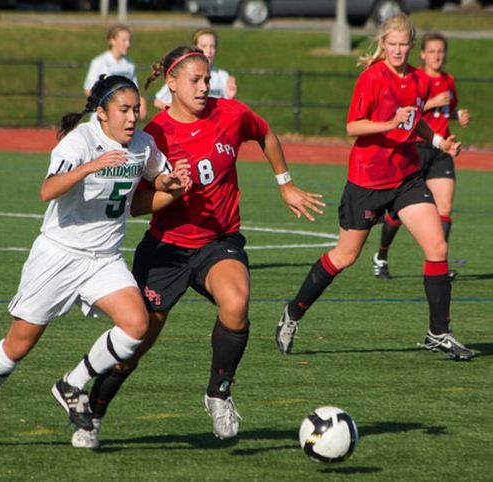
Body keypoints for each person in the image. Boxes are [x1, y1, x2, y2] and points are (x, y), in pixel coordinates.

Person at [71, 44, 325, 448]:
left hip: (217, 242)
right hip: (166, 249)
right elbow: (136, 206)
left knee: (237, 302)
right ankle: (93, 417)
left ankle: (218, 394)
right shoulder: (151, 137)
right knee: (133, 345)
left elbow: (265, 133)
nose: (206, 86)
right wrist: (169, 190)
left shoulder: (231, 114)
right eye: (196, 80)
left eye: (208, 78)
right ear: (172, 83)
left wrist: (286, 183)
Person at [0, 75, 191, 449]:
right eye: (124, 110)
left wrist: (171, 185)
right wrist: (88, 167)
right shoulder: (81, 141)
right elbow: (47, 190)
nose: (132, 118)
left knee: (136, 326)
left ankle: (71, 383)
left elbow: (151, 190)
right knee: (19, 345)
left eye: (136, 110)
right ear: (102, 112)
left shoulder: (143, 146)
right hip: (58, 256)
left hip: (103, 259)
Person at [275, 14, 474, 361]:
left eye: (403, 45)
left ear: (411, 46)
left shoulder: (417, 79)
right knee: (345, 256)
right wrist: (389, 123)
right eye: (391, 45)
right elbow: (353, 126)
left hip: (407, 177)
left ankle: (438, 332)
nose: (397, 51)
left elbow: (418, 121)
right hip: (367, 180)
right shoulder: (371, 78)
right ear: (383, 44)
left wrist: (440, 142)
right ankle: (293, 312)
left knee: (437, 245)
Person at [372, 32, 471, 280]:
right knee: (400, 213)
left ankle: (440, 264)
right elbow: (406, 112)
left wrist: (457, 115)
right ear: (423, 54)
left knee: (445, 208)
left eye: (441, 51)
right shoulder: (416, 78)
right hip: (416, 148)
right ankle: (381, 256)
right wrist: (433, 102)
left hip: (441, 149)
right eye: (432, 51)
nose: (437, 56)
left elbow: (446, 110)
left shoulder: (449, 80)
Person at [153, 28, 237, 110]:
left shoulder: (223, 75)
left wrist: (231, 97)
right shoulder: (185, 73)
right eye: (204, 46)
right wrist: (183, 112)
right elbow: (158, 102)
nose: (209, 50)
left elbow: (227, 107)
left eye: (212, 46)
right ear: (195, 48)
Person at [84, 25, 148, 120]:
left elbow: (134, 89)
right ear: (112, 41)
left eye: (129, 40)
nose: (128, 44)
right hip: (103, 118)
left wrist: (141, 101)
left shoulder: (129, 63)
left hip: (124, 118)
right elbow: (88, 89)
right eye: (124, 40)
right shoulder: (100, 62)